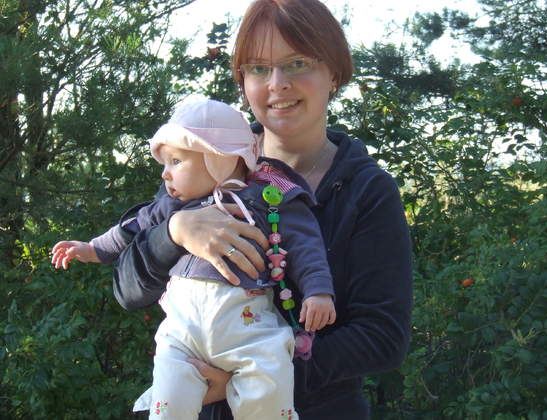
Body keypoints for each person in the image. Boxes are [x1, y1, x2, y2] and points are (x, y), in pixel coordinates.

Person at [112, 0, 413, 419]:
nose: (277, 84)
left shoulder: (366, 190)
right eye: (258, 68)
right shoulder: (208, 162)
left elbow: (382, 338)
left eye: (297, 63)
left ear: (334, 72)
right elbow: (128, 291)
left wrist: (251, 376)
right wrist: (175, 231)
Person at [51, 98, 336, 419]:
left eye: (176, 161)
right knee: (170, 398)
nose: (165, 174)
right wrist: (92, 248)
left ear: (220, 159)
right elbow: (131, 228)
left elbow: (306, 246)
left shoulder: (269, 198)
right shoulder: (172, 207)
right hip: (182, 331)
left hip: (248, 326)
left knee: (269, 377)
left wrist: (318, 291)